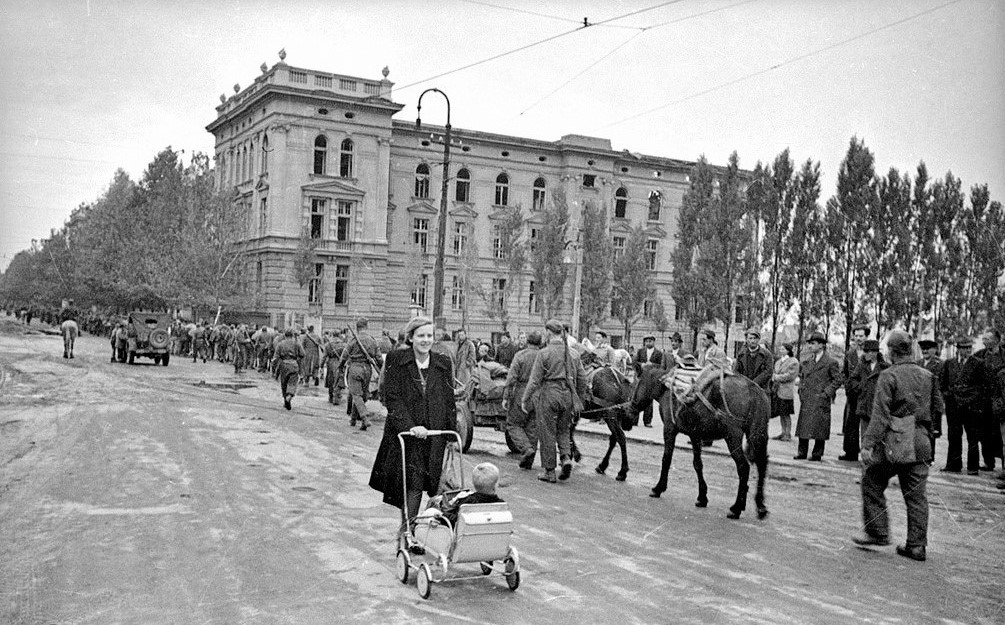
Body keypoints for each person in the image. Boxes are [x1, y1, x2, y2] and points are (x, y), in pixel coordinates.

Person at [368, 316, 457, 550]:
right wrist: (410, 427)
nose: (426, 340)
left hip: (435, 434)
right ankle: (407, 533)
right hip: (408, 436)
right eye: (421, 336)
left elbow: (449, 401)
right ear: (411, 337)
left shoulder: (442, 362)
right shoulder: (397, 359)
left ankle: (423, 531)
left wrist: (451, 436)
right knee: (413, 484)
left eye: (429, 335)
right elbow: (392, 398)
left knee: (436, 485)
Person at [854, 330, 942, 562]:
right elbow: (937, 408)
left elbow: (880, 416)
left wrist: (868, 445)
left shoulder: (888, 375)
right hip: (921, 442)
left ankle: (879, 532)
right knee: (916, 496)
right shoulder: (928, 375)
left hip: (894, 443)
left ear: (892, 352)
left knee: (871, 479)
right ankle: (916, 546)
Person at [521, 319, 587, 483]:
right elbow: (583, 379)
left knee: (547, 431)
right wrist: (577, 399)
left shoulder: (544, 353)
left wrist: (525, 399)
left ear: (549, 333)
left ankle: (549, 472)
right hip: (567, 396)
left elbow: (534, 381)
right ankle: (565, 458)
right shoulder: (574, 353)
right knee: (564, 430)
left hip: (549, 394)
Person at [941, 336, 987, 475]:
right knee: (953, 435)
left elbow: (982, 387)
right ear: (958, 349)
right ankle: (953, 465)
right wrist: (949, 396)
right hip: (953, 406)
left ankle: (973, 467)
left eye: (968, 347)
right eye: (963, 348)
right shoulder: (950, 363)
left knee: (972, 437)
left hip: (971, 407)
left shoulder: (979, 363)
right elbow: (943, 384)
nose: (966, 350)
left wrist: (972, 400)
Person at [794, 331, 842, 461]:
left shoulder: (831, 362)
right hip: (808, 398)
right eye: (809, 344)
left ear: (821, 345)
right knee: (804, 425)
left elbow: (838, 380)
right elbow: (802, 377)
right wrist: (801, 390)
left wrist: (827, 393)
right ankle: (802, 452)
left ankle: (817, 453)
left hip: (821, 398)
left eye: (813, 343)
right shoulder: (807, 361)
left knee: (820, 426)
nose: (810, 346)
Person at [503, 331, 543, 469]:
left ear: (527, 342)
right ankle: (528, 462)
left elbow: (511, 378)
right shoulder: (544, 356)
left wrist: (506, 397)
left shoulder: (520, 355)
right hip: (539, 393)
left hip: (522, 391)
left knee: (513, 424)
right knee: (532, 427)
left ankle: (526, 449)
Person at [847, 340, 889, 461]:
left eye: (867, 351)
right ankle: (865, 461)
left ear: (874, 353)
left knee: (878, 434)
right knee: (865, 434)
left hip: (878, 406)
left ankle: (876, 460)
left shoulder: (884, 367)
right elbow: (853, 380)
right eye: (865, 351)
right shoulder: (862, 365)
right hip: (864, 404)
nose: (865, 354)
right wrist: (861, 387)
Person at [433, 462, 504, 528]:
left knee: (432, 511)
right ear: (495, 486)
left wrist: (442, 515)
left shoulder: (467, 502)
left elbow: (454, 521)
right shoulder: (501, 505)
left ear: (473, 483)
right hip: (491, 537)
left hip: (466, 539)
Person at [339, 318, 380, 430]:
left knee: (356, 395)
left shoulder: (353, 340)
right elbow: (379, 358)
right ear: (367, 327)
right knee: (361, 395)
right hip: (367, 369)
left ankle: (365, 417)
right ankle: (353, 419)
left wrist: (341, 367)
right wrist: (382, 370)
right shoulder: (372, 340)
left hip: (355, 368)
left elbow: (344, 356)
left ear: (357, 328)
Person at [973, 329, 1004, 472]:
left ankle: (1004, 466)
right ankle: (988, 462)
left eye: (987, 338)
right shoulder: (979, 355)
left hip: (1001, 401)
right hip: (984, 402)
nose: (984, 341)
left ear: (997, 340)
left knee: (1001, 434)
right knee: (984, 432)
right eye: (983, 338)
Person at [917, 339, 944, 459]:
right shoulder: (917, 363)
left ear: (935, 350)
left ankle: (929, 457)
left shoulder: (941, 364)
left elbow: (942, 384)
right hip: (919, 401)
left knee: (932, 430)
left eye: (928, 349)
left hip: (933, 402)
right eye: (923, 349)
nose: (925, 351)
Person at [843, 324, 870, 435]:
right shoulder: (850, 354)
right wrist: (847, 386)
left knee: (866, 424)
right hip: (852, 393)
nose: (858, 339)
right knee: (850, 423)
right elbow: (845, 373)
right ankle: (850, 452)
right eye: (856, 336)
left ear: (866, 337)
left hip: (866, 393)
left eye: (861, 336)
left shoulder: (872, 353)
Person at [770, 342, 798, 441]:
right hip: (778, 391)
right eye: (780, 349)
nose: (780, 350)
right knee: (781, 413)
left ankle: (788, 433)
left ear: (788, 350)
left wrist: (776, 377)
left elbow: (790, 375)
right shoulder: (778, 362)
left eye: (783, 349)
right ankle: (783, 432)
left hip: (786, 392)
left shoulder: (793, 362)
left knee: (786, 414)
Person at [272, 328, 305, 411]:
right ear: (292, 335)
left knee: (284, 383)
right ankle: (289, 397)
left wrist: (274, 369)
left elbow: (275, 357)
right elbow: (303, 354)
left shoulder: (280, 344)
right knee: (292, 383)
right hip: (293, 365)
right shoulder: (296, 343)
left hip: (283, 365)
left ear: (284, 335)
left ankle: (285, 400)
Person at [634, 334, 663, 426]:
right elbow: (634, 362)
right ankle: (634, 420)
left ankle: (647, 421)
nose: (648, 343)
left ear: (654, 342)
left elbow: (661, 366)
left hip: (651, 379)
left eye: (650, 341)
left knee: (649, 400)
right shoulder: (640, 351)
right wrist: (641, 365)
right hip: (641, 377)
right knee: (637, 398)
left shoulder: (659, 353)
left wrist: (652, 365)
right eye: (646, 341)